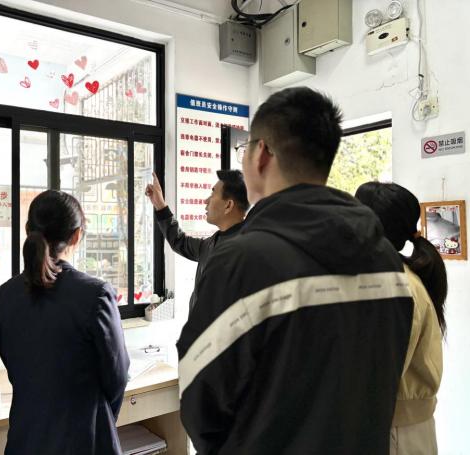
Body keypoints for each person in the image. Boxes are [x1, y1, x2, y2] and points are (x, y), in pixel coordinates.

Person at [176, 87, 414, 455]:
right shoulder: (386, 259)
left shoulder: (241, 262)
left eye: (244, 151)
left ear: (261, 154)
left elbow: (199, 403)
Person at [0, 190, 129, 455]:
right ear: (76, 236)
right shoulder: (95, 294)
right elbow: (117, 376)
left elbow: (15, 367)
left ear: (28, 230)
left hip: (25, 438)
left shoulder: (3, 296)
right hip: (84, 439)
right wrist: (101, 418)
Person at [355, 182, 446, 455]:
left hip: (393, 433)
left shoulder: (395, 286)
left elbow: (378, 375)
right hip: (396, 429)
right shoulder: (394, 279)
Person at [145, 170, 249, 310]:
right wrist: (160, 205)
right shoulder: (211, 243)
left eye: (213, 194)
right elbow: (179, 241)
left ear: (228, 205)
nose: (206, 201)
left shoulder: (247, 251)